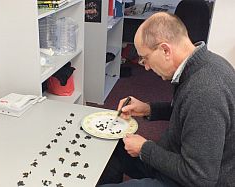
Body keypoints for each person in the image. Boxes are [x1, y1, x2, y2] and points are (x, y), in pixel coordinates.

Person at [97, 12, 235, 187]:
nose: (146, 67)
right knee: (113, 147)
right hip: (177, 157)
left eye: (145, 58)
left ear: (165, 50)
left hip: (190, 179)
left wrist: (145, 149)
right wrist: (149, 109)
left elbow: (200, 177)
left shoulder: (205, 90)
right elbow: (189, 114)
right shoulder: (206, 64)